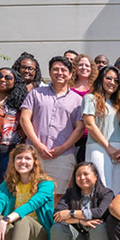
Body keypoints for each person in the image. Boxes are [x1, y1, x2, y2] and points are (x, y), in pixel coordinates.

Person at [19, 55, 85, 199]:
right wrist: (38, 145)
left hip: (63, 155)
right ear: (49, 72)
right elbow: (24, 118)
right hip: (34, 153)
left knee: (58, 194)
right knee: (29, 192)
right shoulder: (36, 94)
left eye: (63, 70)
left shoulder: (77, 100)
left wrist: (62, 148)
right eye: (55, 69)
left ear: (70, 74)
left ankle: (51, 222)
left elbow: (79, 128)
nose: (59, 73)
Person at [50, 161, 114, 240]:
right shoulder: (70, 194)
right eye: (78, 175)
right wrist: (80, 221)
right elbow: (57, 215)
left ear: (95, 176)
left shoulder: (106, 193)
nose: (82, 178)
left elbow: (99, 212)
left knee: (98, 225)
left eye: (86, 174)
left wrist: (71, 213)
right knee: (57, 227)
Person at [82, 65, 120, 194]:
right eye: (108, 78)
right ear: (101, 79)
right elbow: (89, 124)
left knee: (119, 189)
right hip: (98, 146)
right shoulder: (90, 98)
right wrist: (108, 147)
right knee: (101, 188)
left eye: (116, 80)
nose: (112, 83)